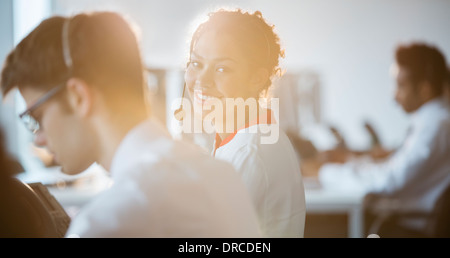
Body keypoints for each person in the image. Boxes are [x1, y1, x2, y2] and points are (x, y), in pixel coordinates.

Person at [1, 11, 262, 238]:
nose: (39, 139)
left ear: (78, 97)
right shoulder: (219, 174)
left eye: (36, 118)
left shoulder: (111, 221)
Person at [302, 42, 450, 237]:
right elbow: (394, 168)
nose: (394, 95)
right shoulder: (432, 121)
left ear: (424, 89)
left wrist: (324, 173)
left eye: (401, 85)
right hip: (401, 220)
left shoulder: (435, 125)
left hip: (404, 227)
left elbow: (389, 180)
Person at [182, 8, 306, 238]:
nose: (202, 80)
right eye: (196, 64)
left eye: (222, 69)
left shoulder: (249, 152)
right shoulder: (251, 137)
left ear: (256, 78)